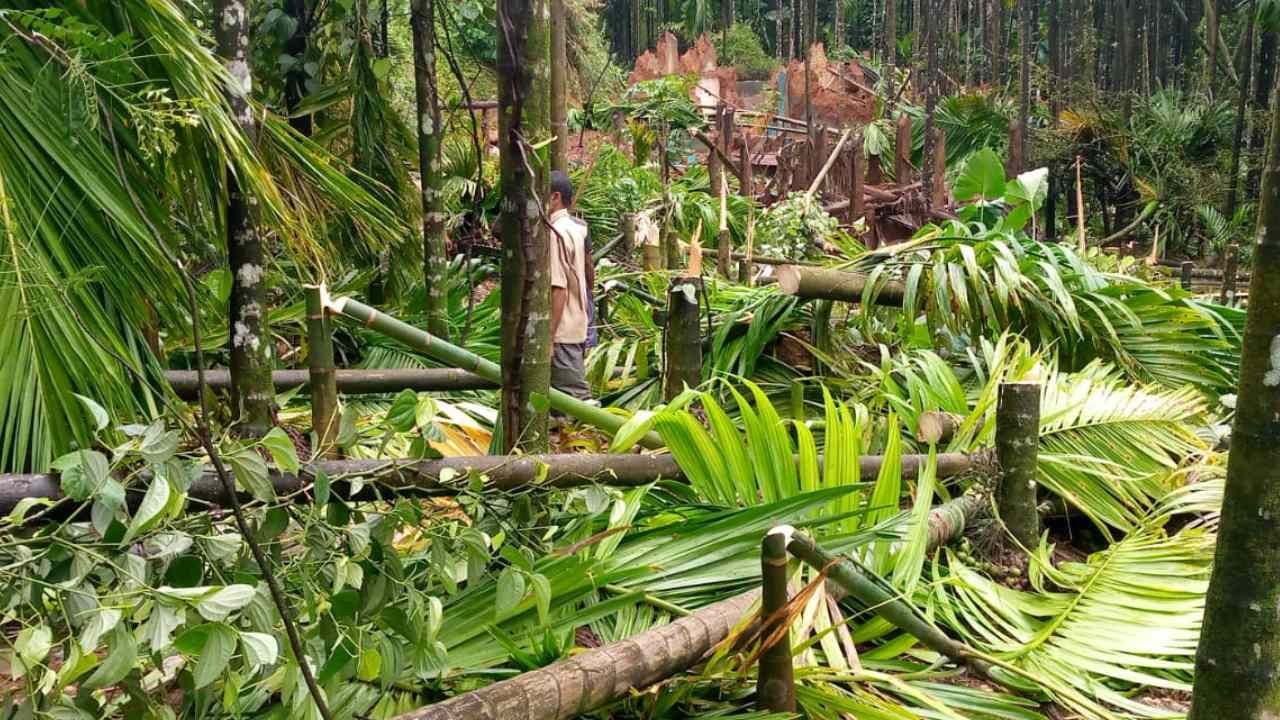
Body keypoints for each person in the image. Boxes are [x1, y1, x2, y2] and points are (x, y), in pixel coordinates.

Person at [548, 171, 594, 400]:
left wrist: (549, 337)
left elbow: (558, 288)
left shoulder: (555, 233)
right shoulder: (576, 227)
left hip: (563, 330)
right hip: (575, 322)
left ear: (555, 197)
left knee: (576, 404)